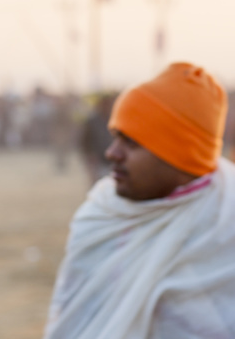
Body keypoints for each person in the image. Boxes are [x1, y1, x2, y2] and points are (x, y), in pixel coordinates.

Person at [44, 62, 235, 339]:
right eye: (115, 138)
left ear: (180, 158)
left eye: (131, 143)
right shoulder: (100, 217)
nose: (112, 153)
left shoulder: (223, 224)